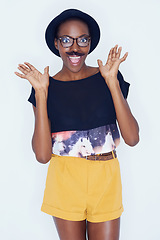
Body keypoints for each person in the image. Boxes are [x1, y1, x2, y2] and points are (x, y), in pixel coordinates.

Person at [15, 8, 139, 240]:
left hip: (106, 180)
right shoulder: (44, 88)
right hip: (65, 181)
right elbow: (42, 156)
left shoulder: (108, 77)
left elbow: (132, 138)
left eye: (82, 40)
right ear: (56, 43)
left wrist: (112, 81)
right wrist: (41, 94)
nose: (75, 47)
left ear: (90, 44)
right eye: (66, 40)